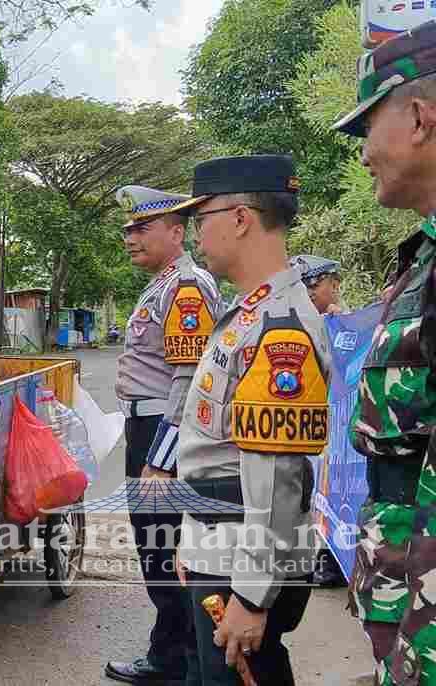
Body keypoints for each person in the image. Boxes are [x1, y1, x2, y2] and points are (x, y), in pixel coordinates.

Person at [169, 155, 331, 685]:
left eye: (201, 219)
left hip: (243, 564)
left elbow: (279, 477)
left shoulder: (279, 328)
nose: (197, 236)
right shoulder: (250, 313)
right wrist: (193, 539)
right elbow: (216, 451)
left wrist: (252, 595)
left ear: (240, 218)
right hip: (221, 547)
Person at [332, 19, 436, 685]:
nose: (364, 153)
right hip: (402, 587)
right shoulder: (422, 256)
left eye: (368, 127)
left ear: (420, 118)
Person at [105, 185, 223, 686]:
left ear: (176, 233)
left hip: (162, 431)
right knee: (157, 548)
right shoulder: (165, 283)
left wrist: (161, 458)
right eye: (127, 229)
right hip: (147, 427)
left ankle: (183, 664)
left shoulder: (186, 287)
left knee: (166, 549)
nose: (130, 237)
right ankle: (173, 653)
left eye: (142, 227)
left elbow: (189, 379)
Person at [290, 254, 350, 589]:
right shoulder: (291, 322)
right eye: (304, 286)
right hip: (303, 425)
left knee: (334, 494)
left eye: (316, 283)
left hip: (336, 429)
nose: (310, 291)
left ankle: (331, 562)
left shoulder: (347, 325)